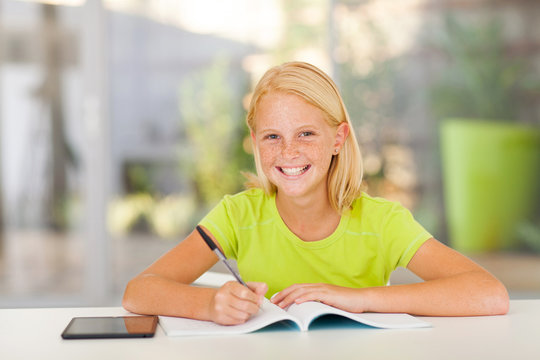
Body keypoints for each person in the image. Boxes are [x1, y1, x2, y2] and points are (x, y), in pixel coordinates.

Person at [123, 61, 509, 325]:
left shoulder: (381, 222)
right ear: (255, 143)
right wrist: (209, 304)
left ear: (338, 139)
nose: (288, 152)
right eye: (273, 137)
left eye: (306, 134)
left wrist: (359, 298)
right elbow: (139, 291)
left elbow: (489, 294)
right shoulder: (238, 216)